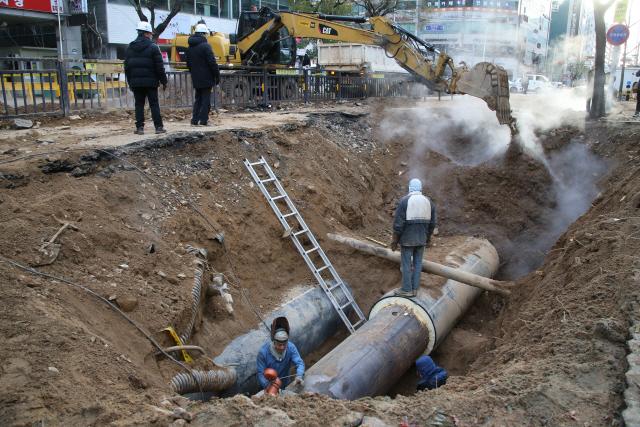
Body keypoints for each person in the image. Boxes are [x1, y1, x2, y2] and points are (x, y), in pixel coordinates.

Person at [390, 178, 436, 297]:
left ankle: (406, 289)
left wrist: (395, 239)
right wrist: (428, 236)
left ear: (410, 187)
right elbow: (432, 222)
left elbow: (398, 224)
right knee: (418, 263)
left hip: (407, 239)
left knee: (406, 264)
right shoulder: (428, 201)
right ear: (420, 188)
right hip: (422, 238)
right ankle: (415, 288)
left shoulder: (405, 201)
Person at [124, 21, 168, 135]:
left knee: (139, 104)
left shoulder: (130, 47)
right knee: (153, 103)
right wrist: (163, 80)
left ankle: (139, 128)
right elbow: (159, 66)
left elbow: (127, 67)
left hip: (136, 82)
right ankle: (158, 127)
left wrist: (130, 82)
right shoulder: (153, 48)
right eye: (150, 34)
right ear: (146, 33)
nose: (151, 36)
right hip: (151, 82)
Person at [256, 317, 305, 395]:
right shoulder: (263, 352)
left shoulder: (290, 347)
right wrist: (269, 387)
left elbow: (299, 363)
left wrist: (299, 375)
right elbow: (261, 373)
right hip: (266, 388)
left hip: (284, 385)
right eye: (279, 345)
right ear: (273, 342)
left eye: (284, 344)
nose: (282, 348)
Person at [186, 22, 220, 127]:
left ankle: (194, 120)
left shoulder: (190, 47)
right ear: (203, 34)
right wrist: (217, 75)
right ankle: (204, 120)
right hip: (206, 78)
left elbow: (188, 64)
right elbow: (212, 63)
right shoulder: (206, 46)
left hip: (196, 77)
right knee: (206, 100)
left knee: (198, 99)